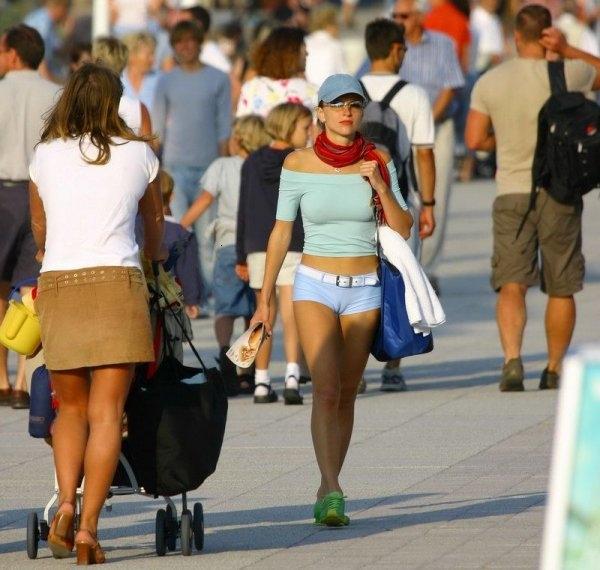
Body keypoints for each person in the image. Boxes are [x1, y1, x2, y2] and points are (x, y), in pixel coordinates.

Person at [251, 75, 412, 524]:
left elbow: (403, 227)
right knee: (324, 389)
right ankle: (334, 487)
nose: (346, 112)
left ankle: (326, 486)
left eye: (354, 104)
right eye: (337, 104)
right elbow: (281, 230)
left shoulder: (377, 159)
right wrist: (265, 298)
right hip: (314, 284)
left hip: (365, 288)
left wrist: (381, 187)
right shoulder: (297, 163)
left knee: (346, 393)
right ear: (319, 112)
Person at [29, 62, 163, 564]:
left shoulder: (45, 154)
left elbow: (39, 226)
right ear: (115, 103)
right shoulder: (139, 153)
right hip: (116, 282)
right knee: (108, 413)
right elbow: (154, 220)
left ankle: (64, 505)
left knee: (71, 408)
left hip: (61, 283)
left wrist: (49, 250)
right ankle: (88, 530)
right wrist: (155, 258)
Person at [465, 5, 600, 391]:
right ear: (548, 34)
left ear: (515, 37)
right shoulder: (571, 72)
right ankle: (553, 368)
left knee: (511, 282)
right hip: (560, 190)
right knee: (561, 285)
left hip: (512, 189)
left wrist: (506, 141)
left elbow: (474, 139)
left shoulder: (491, 81)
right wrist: (568, 50)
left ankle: (512, 360)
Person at [360, 18, 436, 392]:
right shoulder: (414, 94)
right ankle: (393, 368)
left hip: (357, 203)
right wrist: (429, 204)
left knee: (360, 283)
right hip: (399, 199)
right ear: (394, 50)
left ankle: (356, 369)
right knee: (401, 277)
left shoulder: (349, 92)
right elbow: (423, 153)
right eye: (404, 49)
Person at [180, 115, 271, 396]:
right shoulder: (263, 166)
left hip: (227, 243)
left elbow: (205, 200)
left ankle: (224, 355)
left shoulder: (221, 166)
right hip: (260, 244)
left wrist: (180, 226)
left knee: (226, 308)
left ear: (239, 138)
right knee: (254, 309)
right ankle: (247, 367)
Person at [0, 24, 60, 410]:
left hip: (2, 190)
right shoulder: (55, 93)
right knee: (30, 287)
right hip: (40, 192)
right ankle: (24, 379)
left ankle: (0, 378)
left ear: (13, 54)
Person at [152, 19, 231, 309]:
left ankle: (209, 295)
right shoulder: (166, 81)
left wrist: (223, 166)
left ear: (199, 43)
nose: (185, 47)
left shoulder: (218, 79)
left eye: (190, 40)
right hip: (175, 168)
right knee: (178, 234)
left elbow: (224, 125)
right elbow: (157, 127)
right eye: (179, 42)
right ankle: (182, 294)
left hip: (209, 168)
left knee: (208, 237)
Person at [237, 103, 312, 405]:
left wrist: (240, 254)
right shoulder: (300, 161)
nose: (309, 133)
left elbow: (243, 209)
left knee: (262, 312)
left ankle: (260, 380)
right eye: (305, 127)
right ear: (289, 127)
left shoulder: (252, 161)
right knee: (292, 314)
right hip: (293, 240)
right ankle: (293, 375)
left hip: (257, 244)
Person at [392, 0, 464, 293]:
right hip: (399, 129)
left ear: (420, 17)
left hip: (437, 126)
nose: (398, 20)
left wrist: (427, 119)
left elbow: (451, 86)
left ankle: (427, 268)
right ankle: (406, 263)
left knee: (436, 196)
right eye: (395, 16)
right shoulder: (391, 44)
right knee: (401, 194)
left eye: (404, 16)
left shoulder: (443, 44)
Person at [236, 26, 317, 118]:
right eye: (303, 47)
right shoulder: (311, 92)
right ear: (291, 53)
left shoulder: (251, 88)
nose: (307, 53)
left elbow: (242, 124)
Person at [158, 170, 203, 320]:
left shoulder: (134, 228)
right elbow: (187, 269)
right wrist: (192, 300)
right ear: (172, 196)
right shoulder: (182, 234)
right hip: (170, 300)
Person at [24, 0, 71, 82]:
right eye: (67, 10)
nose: (67, 15)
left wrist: (68, 34)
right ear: (60, 8)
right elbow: (39, 60)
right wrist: (51, 86)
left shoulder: (48, 22)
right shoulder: (43, 23)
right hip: (33, 78)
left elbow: (59, 51)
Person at [305, 4, 347, 88]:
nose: (339, 28)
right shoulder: (335, 45)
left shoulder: (304, 42)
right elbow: (345, 78)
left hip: (307, 91)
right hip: (328, 93)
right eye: (337, 24)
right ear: (330, 25)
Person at [121, 32, 160, 113]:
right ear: (131, 55)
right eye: (149, 55)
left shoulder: (161, 81)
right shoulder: (116, 81)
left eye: (153, 54)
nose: (153, 59)